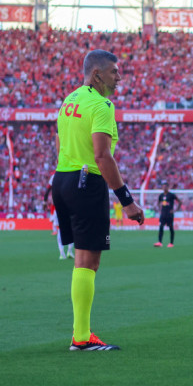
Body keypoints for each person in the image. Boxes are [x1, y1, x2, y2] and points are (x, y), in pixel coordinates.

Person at [52, 49, 144, 351]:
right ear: (97, 75)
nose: (119, 77)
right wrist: (127, 200)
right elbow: (102, 156)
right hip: (85, 180)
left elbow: (59, 141)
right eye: (114, 71)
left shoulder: (70, 100)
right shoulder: (102, 105)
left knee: (81, 259)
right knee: (88, 260)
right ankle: (81, 337)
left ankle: (81, 334)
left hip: (63, 177)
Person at [45, 174, 74, 259]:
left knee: (60, 230)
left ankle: (62, 253)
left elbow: (48, 189)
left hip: (59, 206)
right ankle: (69, 251)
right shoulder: (71, 173)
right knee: (71, 229)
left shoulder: (54, 176)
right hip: (69, 206)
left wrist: (44, 200)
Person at [154, 182, 182, 247]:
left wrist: (175, 210)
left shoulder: (171, 195)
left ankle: (171, 243)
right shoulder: (161, 195)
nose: (164, 188)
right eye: (163, 187)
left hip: (169, 214)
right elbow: (158, 203)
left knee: (171, 228)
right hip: (163, 214)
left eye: (165, 187)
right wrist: (159, 209)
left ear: (167, 187)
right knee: (161, 227)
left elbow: (180, 202)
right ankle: (159, 242)